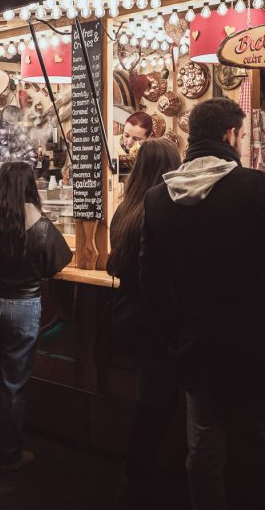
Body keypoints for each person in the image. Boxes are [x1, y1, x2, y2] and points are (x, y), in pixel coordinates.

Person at [139, 98, 265, 509]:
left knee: (203, 455)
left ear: (192, 138)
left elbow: (152, 283)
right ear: (230, 135)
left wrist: (178, 332)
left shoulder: (158, 198)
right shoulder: (255, 187)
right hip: (261, 347)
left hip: (198, 347)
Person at [0, 161, 73, 472]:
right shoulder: (42, 226)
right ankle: (8, 455)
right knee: (12, 384)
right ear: (30, 186)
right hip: (23, 308)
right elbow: (56, 265)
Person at [106, 139, 181, 509]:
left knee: (150, 403)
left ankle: (138, 479)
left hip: (126, 315)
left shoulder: (125, 208)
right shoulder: (162, 209)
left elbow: (116, 264)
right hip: (153, 323)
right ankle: (135, 485)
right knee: (153, 410)